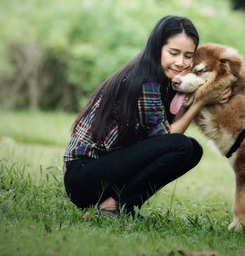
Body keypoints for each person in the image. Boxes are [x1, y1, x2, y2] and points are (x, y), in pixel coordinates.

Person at [63, 15, 230, 216]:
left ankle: (121, 205)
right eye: (173, 53)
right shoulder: (145, 81)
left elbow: (160, 142)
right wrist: (201, 101)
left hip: (104, 169)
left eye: (188, 56)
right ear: (157, 47)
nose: (180, 62)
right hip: (83, 176)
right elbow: (167, 140)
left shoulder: (165, 81)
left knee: (193, 149)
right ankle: (111, 206)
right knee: (183, 146)